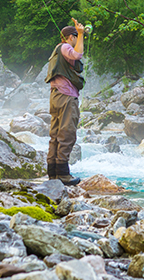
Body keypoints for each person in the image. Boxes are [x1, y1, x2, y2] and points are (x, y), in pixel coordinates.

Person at [44, 18, 85, 186]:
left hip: (56, 96)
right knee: (67, 133)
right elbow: (77, 54)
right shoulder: (66, 47)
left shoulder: (57, 50)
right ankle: (63, 174)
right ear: (70, 37)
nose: (77, 41)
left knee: (55, 134)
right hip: (66, 97)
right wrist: (81, 33)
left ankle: (53, 173)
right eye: (76, 37)